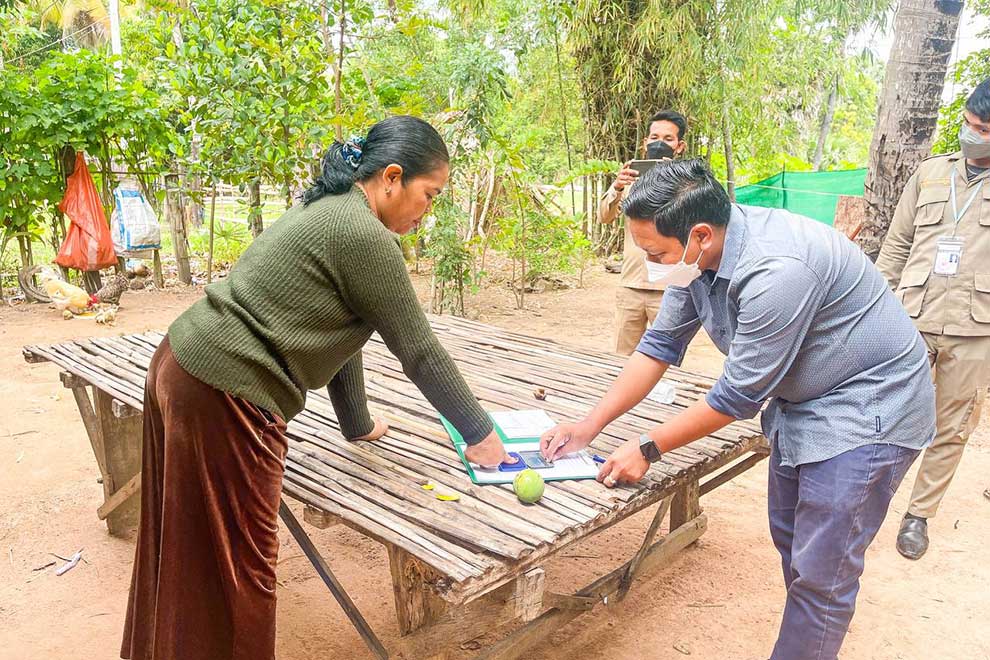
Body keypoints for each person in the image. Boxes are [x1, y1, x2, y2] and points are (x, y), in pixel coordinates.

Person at [120, 116, 514, 660]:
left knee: (181, 548)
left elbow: (341, 327)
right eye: (430, 194)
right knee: (242, 572)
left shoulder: (329, 209)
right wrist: (480, 434)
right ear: (393, 178)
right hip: (227, 394)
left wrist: (359, 422)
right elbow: (419, 351)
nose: (429, 210)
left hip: (183, 363)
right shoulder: (363, 235)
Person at [541, 160, 935, 660]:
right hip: (804, 407)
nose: (652, 262)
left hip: (869, 409)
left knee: (822, 574)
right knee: (793, 541)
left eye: (655, 252)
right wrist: (589, 425)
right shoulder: (698, 258)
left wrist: (648, 446)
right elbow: (658, 345)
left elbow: (735, 398)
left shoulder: (778, 271)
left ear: (699, 234)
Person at [876, 78, 990, 560]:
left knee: (951, 427)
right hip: (912, 317)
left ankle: (918, 515)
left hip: (976, 328)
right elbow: (898, 243)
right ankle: (867, 496)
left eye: (984, 129)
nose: (972, 135)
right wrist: (877, 301)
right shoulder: (929, 174)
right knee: (888, 411)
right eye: (969, 124)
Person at [599, 109, 688, 355]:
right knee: (621, 358)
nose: (659, 143)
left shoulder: (688, 180)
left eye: (668, 139)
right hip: (631, 285)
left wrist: (676, 182)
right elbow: (604, 217)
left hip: (669, 288)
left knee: (665, 358)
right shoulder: (630, 179)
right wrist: (617, 187)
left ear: (680, 146)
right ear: (644, 142)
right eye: (654, 137)